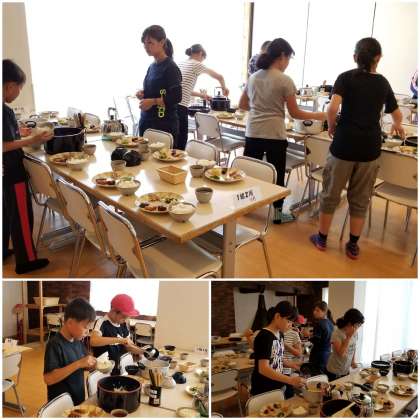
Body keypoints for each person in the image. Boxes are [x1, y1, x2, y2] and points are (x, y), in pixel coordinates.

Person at [310, 37, 405, 259]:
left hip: (343, 145)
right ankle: (352, 246)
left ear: (355, 57)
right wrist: (398, 125)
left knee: (330, 193)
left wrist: (332, 126)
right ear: (378, 58)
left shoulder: (345, 77)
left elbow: (332, 108)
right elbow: (397, 114)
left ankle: (322, 239)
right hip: (369, 149)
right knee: (360, 199)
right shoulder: (383, 83)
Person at [239, 38, 326, 224]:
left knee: (250, 171)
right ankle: (278, 215)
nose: (287, 64)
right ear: (282, 56)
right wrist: (320, 115)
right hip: (274, 135)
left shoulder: (253, 77)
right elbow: (295, 113)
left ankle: (245, 207)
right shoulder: (285, 80)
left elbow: (242, 104)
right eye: (288, 59)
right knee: (277, 174)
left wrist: (259, 110)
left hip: (253, 132)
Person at [3, 59, 53, 274]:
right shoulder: (4, 111)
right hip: (12, 170)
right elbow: (4, 145)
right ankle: (26, 261)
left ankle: (3, 250)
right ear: (10, 85)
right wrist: (32, 140)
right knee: (21, 215)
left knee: (7, 213)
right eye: (19, 88)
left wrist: (19, 133)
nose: (18, 92)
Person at [43, 298, 97, 405]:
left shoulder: (77, 341)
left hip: (77, 399)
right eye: (85, 327)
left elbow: (83, 364)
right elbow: (48, 378)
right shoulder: (55, 344)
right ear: (70, 323)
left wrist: (92, 365)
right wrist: (78, 364)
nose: (87, 332)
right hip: (61, 404)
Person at [177, 44, 229, 150]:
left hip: (173, 105)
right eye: (203, 59)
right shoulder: (196, 64)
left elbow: (184, 89)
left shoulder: (181, 63)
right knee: (181, 141)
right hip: (181, 107)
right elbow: (220, 77)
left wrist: (202, 95)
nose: (202, 62)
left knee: (176, 139)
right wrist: (224, 88)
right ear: (201, 53)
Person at [137, 25, 182, 146]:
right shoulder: (152, 66)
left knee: (161, 157)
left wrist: (152, 101)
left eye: (150, 43)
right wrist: (143, 94)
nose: (146, 46)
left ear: (162, 42)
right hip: (147, 122)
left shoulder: (171, 67)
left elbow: (176, 97)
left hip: (163, 125)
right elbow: (156, 90)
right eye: (144, 43)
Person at [251, 301, 305, 399]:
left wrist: (293, 365)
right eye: (288, 321)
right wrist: (291, 380)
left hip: (276, 385)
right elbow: (263, 368)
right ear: (277, 316)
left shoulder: (280, 334)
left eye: (292, 322)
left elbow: (277, 358)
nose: (290, 325)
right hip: (263, 388)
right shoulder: (264, 336)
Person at [90, 294, 144, 373]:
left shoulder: (123, 324)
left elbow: (128, 346)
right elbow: (93, 341)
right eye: (124, 316)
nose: (126, 319)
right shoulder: (102, 322)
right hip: (103, 371)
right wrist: (119, 340)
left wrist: (142, 351)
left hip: (118, 368)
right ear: (113, 311)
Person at [326, 308, 364, 381]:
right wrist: (348, 337)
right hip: (334, 371)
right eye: (358, 325)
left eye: (360, 325)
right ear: (350, 323)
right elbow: (341, 353)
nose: (358, 327)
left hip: (345, 370)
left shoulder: (355, 332)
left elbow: (353, 347)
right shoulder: (337, 333)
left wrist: (353, 361)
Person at [308, 301, 334, 373]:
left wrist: (308, 336)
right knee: (322, 375)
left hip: (318, 354)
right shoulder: (330, 323)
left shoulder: (319, 323)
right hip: (327, 353)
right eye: (314, 310)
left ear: (324, 312)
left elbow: (317, 340)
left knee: (315, 375)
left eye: (317, 310)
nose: (314, 312)